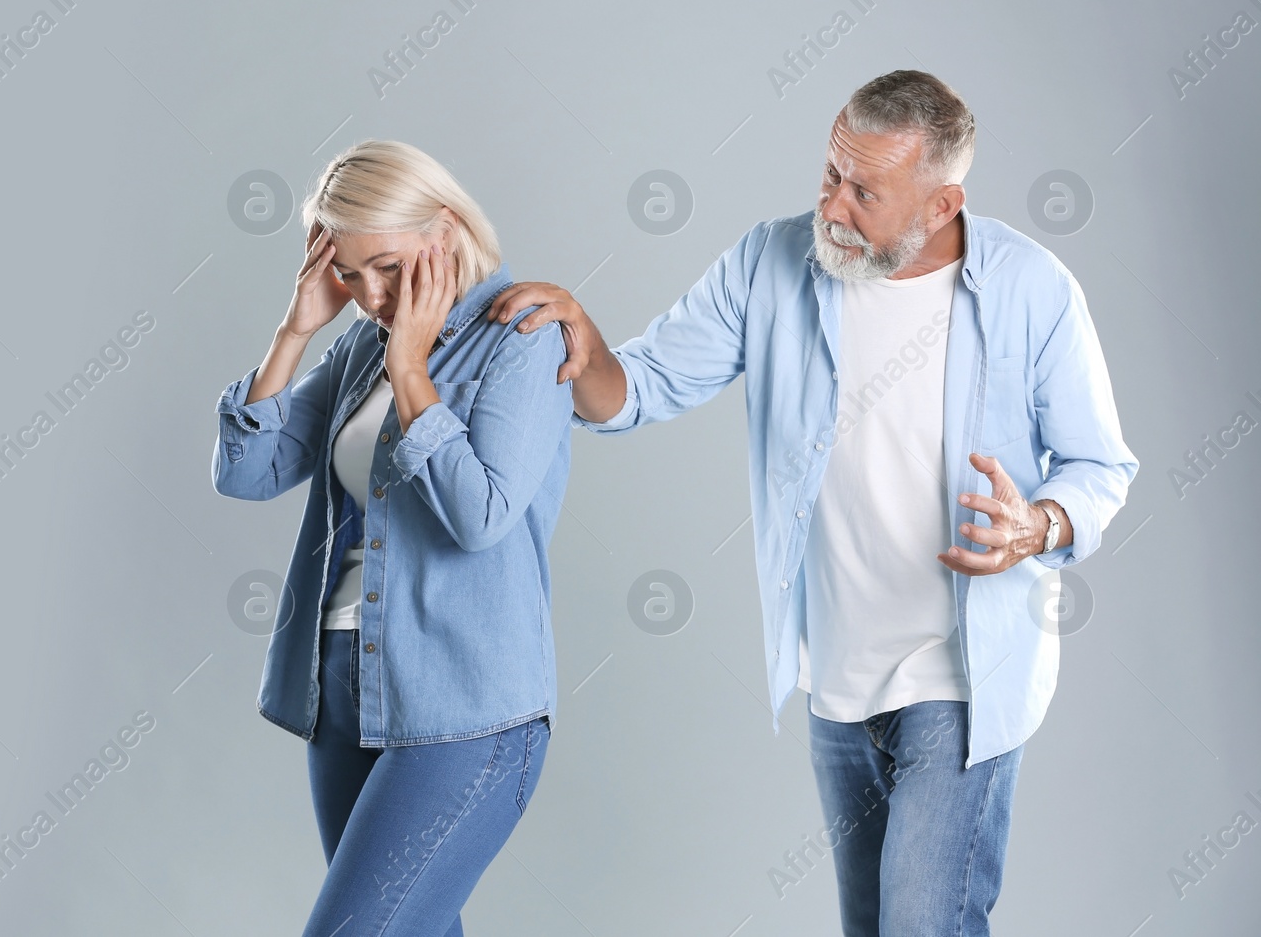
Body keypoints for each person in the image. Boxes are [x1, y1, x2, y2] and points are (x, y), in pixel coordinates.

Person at [487, 71, 1139, 936]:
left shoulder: (1032, 288)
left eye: (864, 191)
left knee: (921, 923)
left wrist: (1041, 525)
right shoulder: (770, 261)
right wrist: (580, 332)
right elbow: (633, 389)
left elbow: (1100, 464)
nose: (832, 205)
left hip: (965, 674)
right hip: (835, 676)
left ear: (942, 205)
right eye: (830, 174)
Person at [212, 139, 573, 936]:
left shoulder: (523, 334)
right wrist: (296, 329)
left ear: (443, 229)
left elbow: (479, 516)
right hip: (341, 691)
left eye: (385, 266)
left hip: (466, 709)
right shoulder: (356, 346)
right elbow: (246, 471)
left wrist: (413, 369)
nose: (370, 294)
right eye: (348, 271)